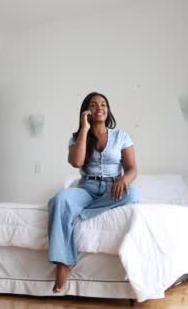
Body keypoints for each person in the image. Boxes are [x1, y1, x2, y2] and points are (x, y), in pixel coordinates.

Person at [48, 91, 140, 293]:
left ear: (108, 110)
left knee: (133, 194)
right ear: (86, 111)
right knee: (60, 200)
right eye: (94, 105)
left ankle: (81, 213)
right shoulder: (77, 137)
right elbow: (77, 162)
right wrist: (84, 129)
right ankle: (64, 262)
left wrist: (124, 179)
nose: (100, 108)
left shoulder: (121, 137)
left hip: (112, 189)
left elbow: (132, 169)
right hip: (87, 188)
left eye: (104, 104)